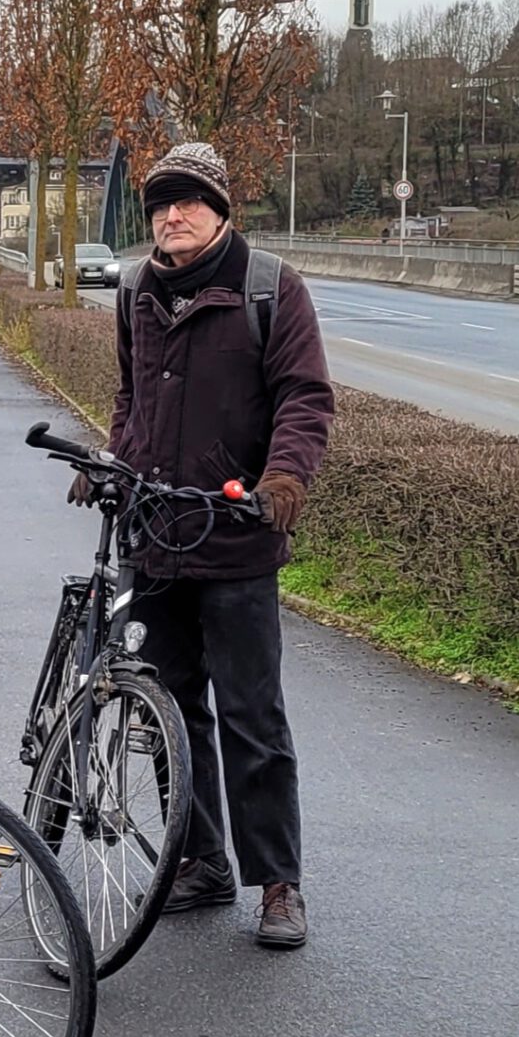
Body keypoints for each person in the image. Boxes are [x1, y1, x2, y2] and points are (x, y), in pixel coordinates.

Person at [96, 141, 333, 949]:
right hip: (156, 537)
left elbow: (306, 399)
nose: (172, 215)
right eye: (161, 202)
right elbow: (132, 400)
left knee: (251, 718)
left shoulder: (270, 288)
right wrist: (116, 464)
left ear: (223, 206)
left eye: (189, 200)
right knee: (169, 713)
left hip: (235, 539)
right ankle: (201, 857)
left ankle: (278, 884)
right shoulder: (135, 290)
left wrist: (285, 481)